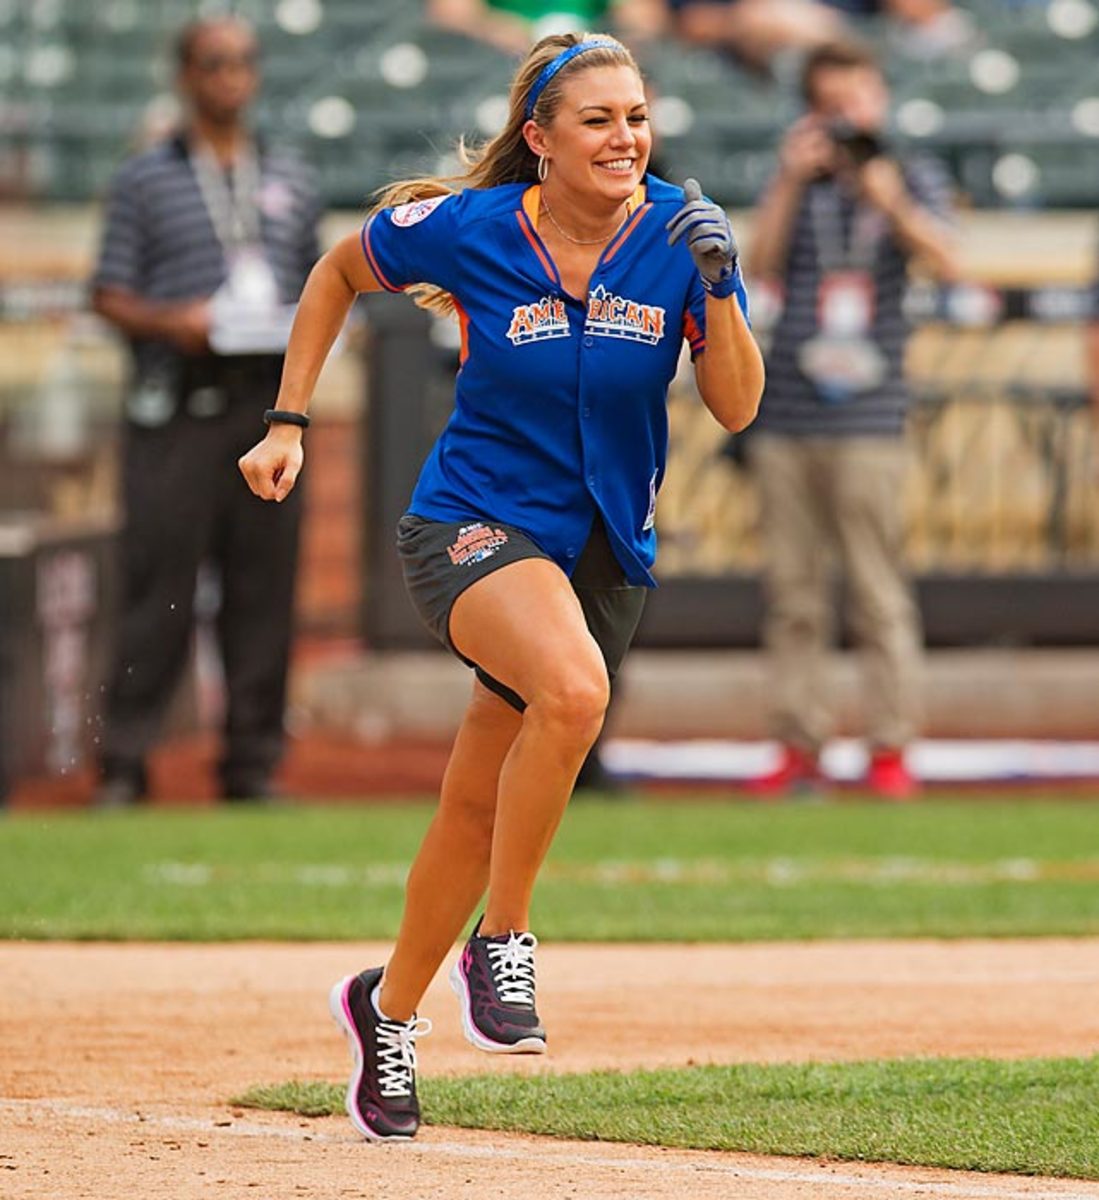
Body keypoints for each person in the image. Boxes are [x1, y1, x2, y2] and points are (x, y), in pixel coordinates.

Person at [240, 32, 763, 1139]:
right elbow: (340, 268)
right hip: (470, 521)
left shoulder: (681, 234)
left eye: (636, 116)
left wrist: (718, 288)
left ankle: (382, 1011)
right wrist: (287, 418)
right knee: (573, 696)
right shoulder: (474, 228)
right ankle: (504, 940)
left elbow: (735, 406)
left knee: (478, 799)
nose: (625, 137)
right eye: (597, 120)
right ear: (539, 139)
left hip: (601, 551)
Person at [90, 16, 322, 806]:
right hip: (180, 407)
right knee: (158, 589)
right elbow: (109, 294)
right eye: (215, 64)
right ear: (186, 76)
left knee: (265, 589)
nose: (232, 77)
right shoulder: (146, 179)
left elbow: (316, 294)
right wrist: (174, 321)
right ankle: (124, 761)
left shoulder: (287, 175)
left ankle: (252, 763)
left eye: (243, 63)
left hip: (268, 408)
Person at [743, 38, 958, 800]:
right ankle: (800, 744)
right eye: (829, 105)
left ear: (879, 99)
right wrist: (788, 181)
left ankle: (890, 745)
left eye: (855, 101)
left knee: (877, 591)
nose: (843, 118)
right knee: (793, 595)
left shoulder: (909, 175)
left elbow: (949, 259)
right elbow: (758, 266)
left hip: (870, 416)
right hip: (789, 414)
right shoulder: (795, 180)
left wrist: (885, 195)